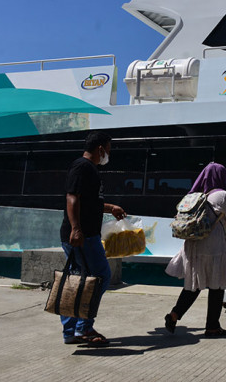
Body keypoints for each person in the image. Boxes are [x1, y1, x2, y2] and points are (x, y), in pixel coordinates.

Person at [59, 131, 127, 346]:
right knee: (100, 276)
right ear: (100, 149)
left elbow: (88, 201)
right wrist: (76, 229)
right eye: (108, 148)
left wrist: (110, 207)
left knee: (77, 281)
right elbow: (72, 197)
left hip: (83, 234)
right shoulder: (83, 167)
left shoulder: (89, 169)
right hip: (84, 236)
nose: (108, 153)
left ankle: (71, 331)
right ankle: (83, 328)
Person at [164, 162, 226, 337]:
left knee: (194, 285)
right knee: (217, 286)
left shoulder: (194, 194)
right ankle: (212, 326)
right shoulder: (222, 195)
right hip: (213, 247)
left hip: (193, 245)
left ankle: (174, 315)